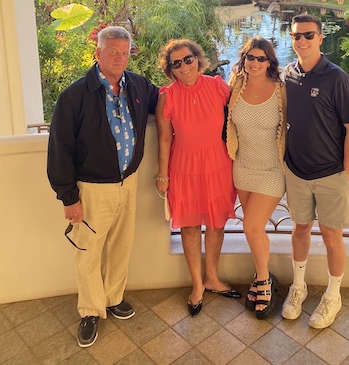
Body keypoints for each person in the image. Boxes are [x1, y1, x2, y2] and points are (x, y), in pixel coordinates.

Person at [47, 26, 159, 347]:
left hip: (128, 181)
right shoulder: (74, 95)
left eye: (124, 53)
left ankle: (112, 298)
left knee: (120, 245)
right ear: (98, 53)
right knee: (88, 251)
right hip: (92, 188)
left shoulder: (137, 85)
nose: (120, 58)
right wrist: (69, 197)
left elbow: (165, 100)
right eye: (113, 52)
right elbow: (60, 148)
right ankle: (90, 310)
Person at [281, 14, 349, 329]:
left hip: (331, 174)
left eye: (307, 35)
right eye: (296, 36)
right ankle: (298, 287)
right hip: (297, 172)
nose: (301, 41)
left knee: (331, 236)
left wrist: (346, 173)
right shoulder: (288, 74)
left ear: (320, 38)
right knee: (300, 229)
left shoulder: (337, 78)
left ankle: (333, 295)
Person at [155, 39, 240, 317]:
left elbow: (243, 106)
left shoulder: (217, 86)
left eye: (188, 59)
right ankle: (197, 285)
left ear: (198, 59)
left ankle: (213, 277)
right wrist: (162, 175)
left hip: (218, 164)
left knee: (216, 223)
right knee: (190, 227)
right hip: (184, 167)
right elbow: (165, 139)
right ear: (169, 69)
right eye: (176, 63)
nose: (183, 67)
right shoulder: (167, 96)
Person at [225, 37, 287, 319]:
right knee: (253, 229)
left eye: (261, 59)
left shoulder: (281, 89)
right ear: (244, 58)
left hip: (272, 170)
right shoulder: (235, 84)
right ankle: (261, 274)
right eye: (250, 57)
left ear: (270, 62)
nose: (255, 63)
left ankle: (263, 279)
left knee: (251, 226)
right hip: (243, 167)